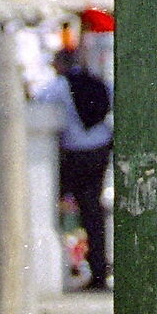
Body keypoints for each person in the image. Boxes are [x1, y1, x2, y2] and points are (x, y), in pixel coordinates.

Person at [38, 42, 114, 289]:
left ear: (59, 65)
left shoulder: (60, 86)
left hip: (74, 153)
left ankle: (60, 263)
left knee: (56, 204)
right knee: (93, 211)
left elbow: (38, 106)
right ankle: (99, 270)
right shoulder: (98, 82)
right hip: (100, 147)